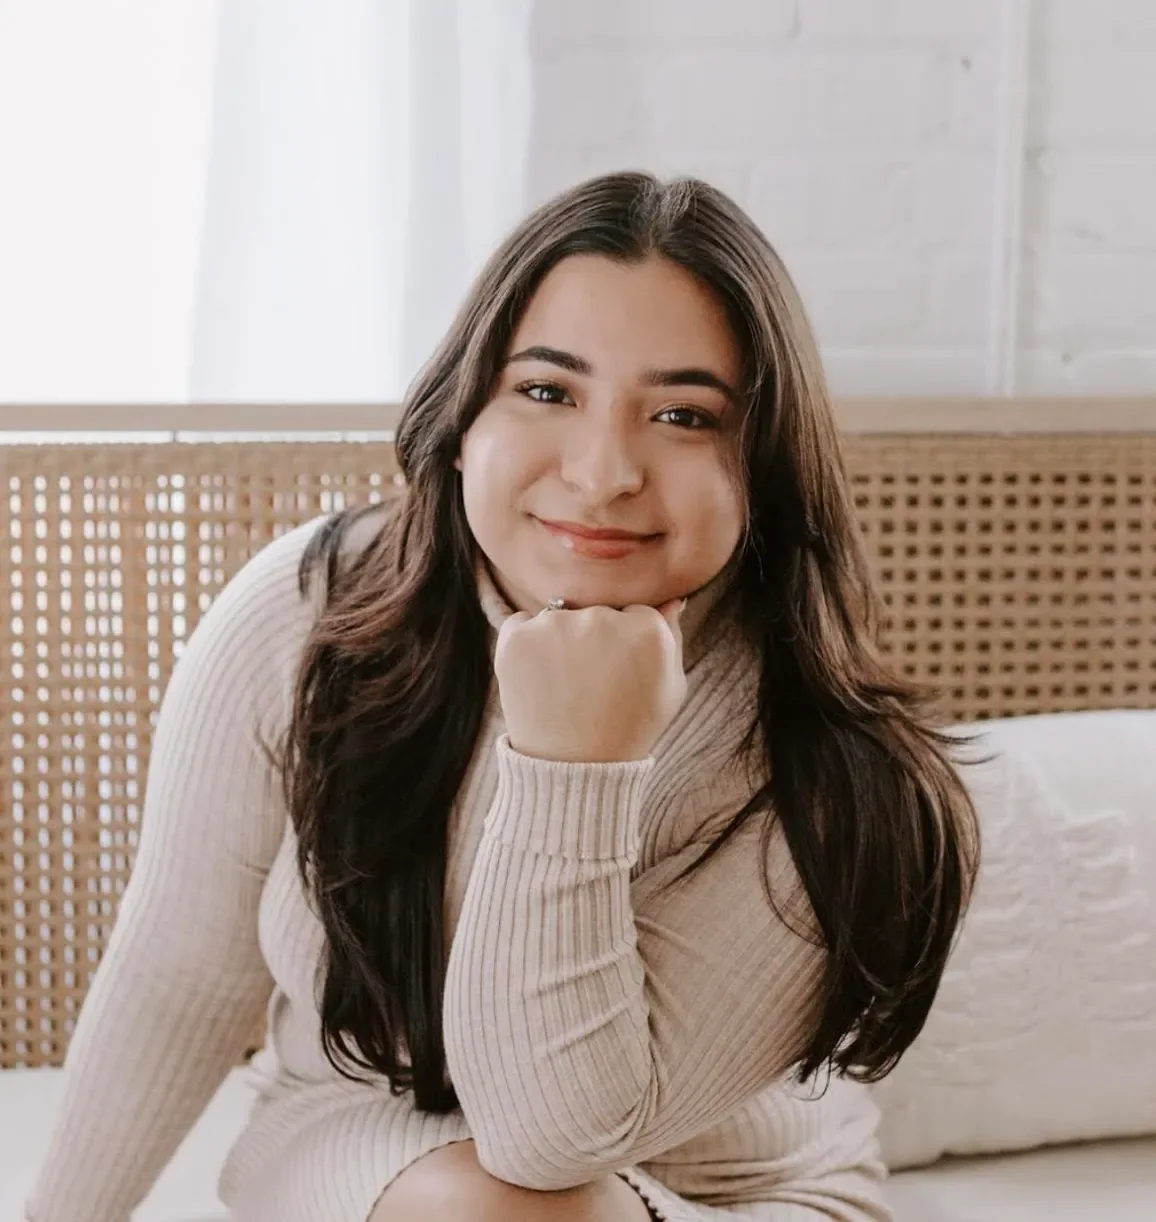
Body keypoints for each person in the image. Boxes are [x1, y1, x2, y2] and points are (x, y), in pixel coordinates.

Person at [25, 172, 980, 1222]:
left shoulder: (825, 770)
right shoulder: (307, 616)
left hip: (737, 1191)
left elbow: (544, 1136)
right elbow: (178, 977)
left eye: (680, 413)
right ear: (463, 411)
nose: (604, 468)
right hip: (369, 1140)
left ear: (760, 461)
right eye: (547, 391)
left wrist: (577, 764)